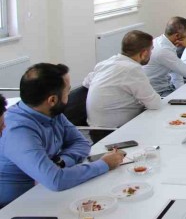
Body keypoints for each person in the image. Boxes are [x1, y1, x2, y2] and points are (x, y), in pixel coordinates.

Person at [0, 64, 125, 207]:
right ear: (52, 100)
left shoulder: (50, 111)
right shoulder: (17, 130)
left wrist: (61, 162)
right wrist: (105, 164)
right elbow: (56, 180)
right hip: (17, 204)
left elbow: (81, 143)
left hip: (46, 191)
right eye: (68, 90)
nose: (69, 95)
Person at [83, 31, 161, 128]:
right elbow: (155, 104)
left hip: (95, 128)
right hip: (114, 131)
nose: (151, 53)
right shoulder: (132, 69)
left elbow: (86, 83)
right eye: (151, 50)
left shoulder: (106, 63)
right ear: (144, 53)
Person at [143, 17, 186, 97]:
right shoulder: (164, 51)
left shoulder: (162, 42)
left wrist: (183, 92)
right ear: (177, 36)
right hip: (159, 93)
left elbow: (176, 72)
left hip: (166, 86)